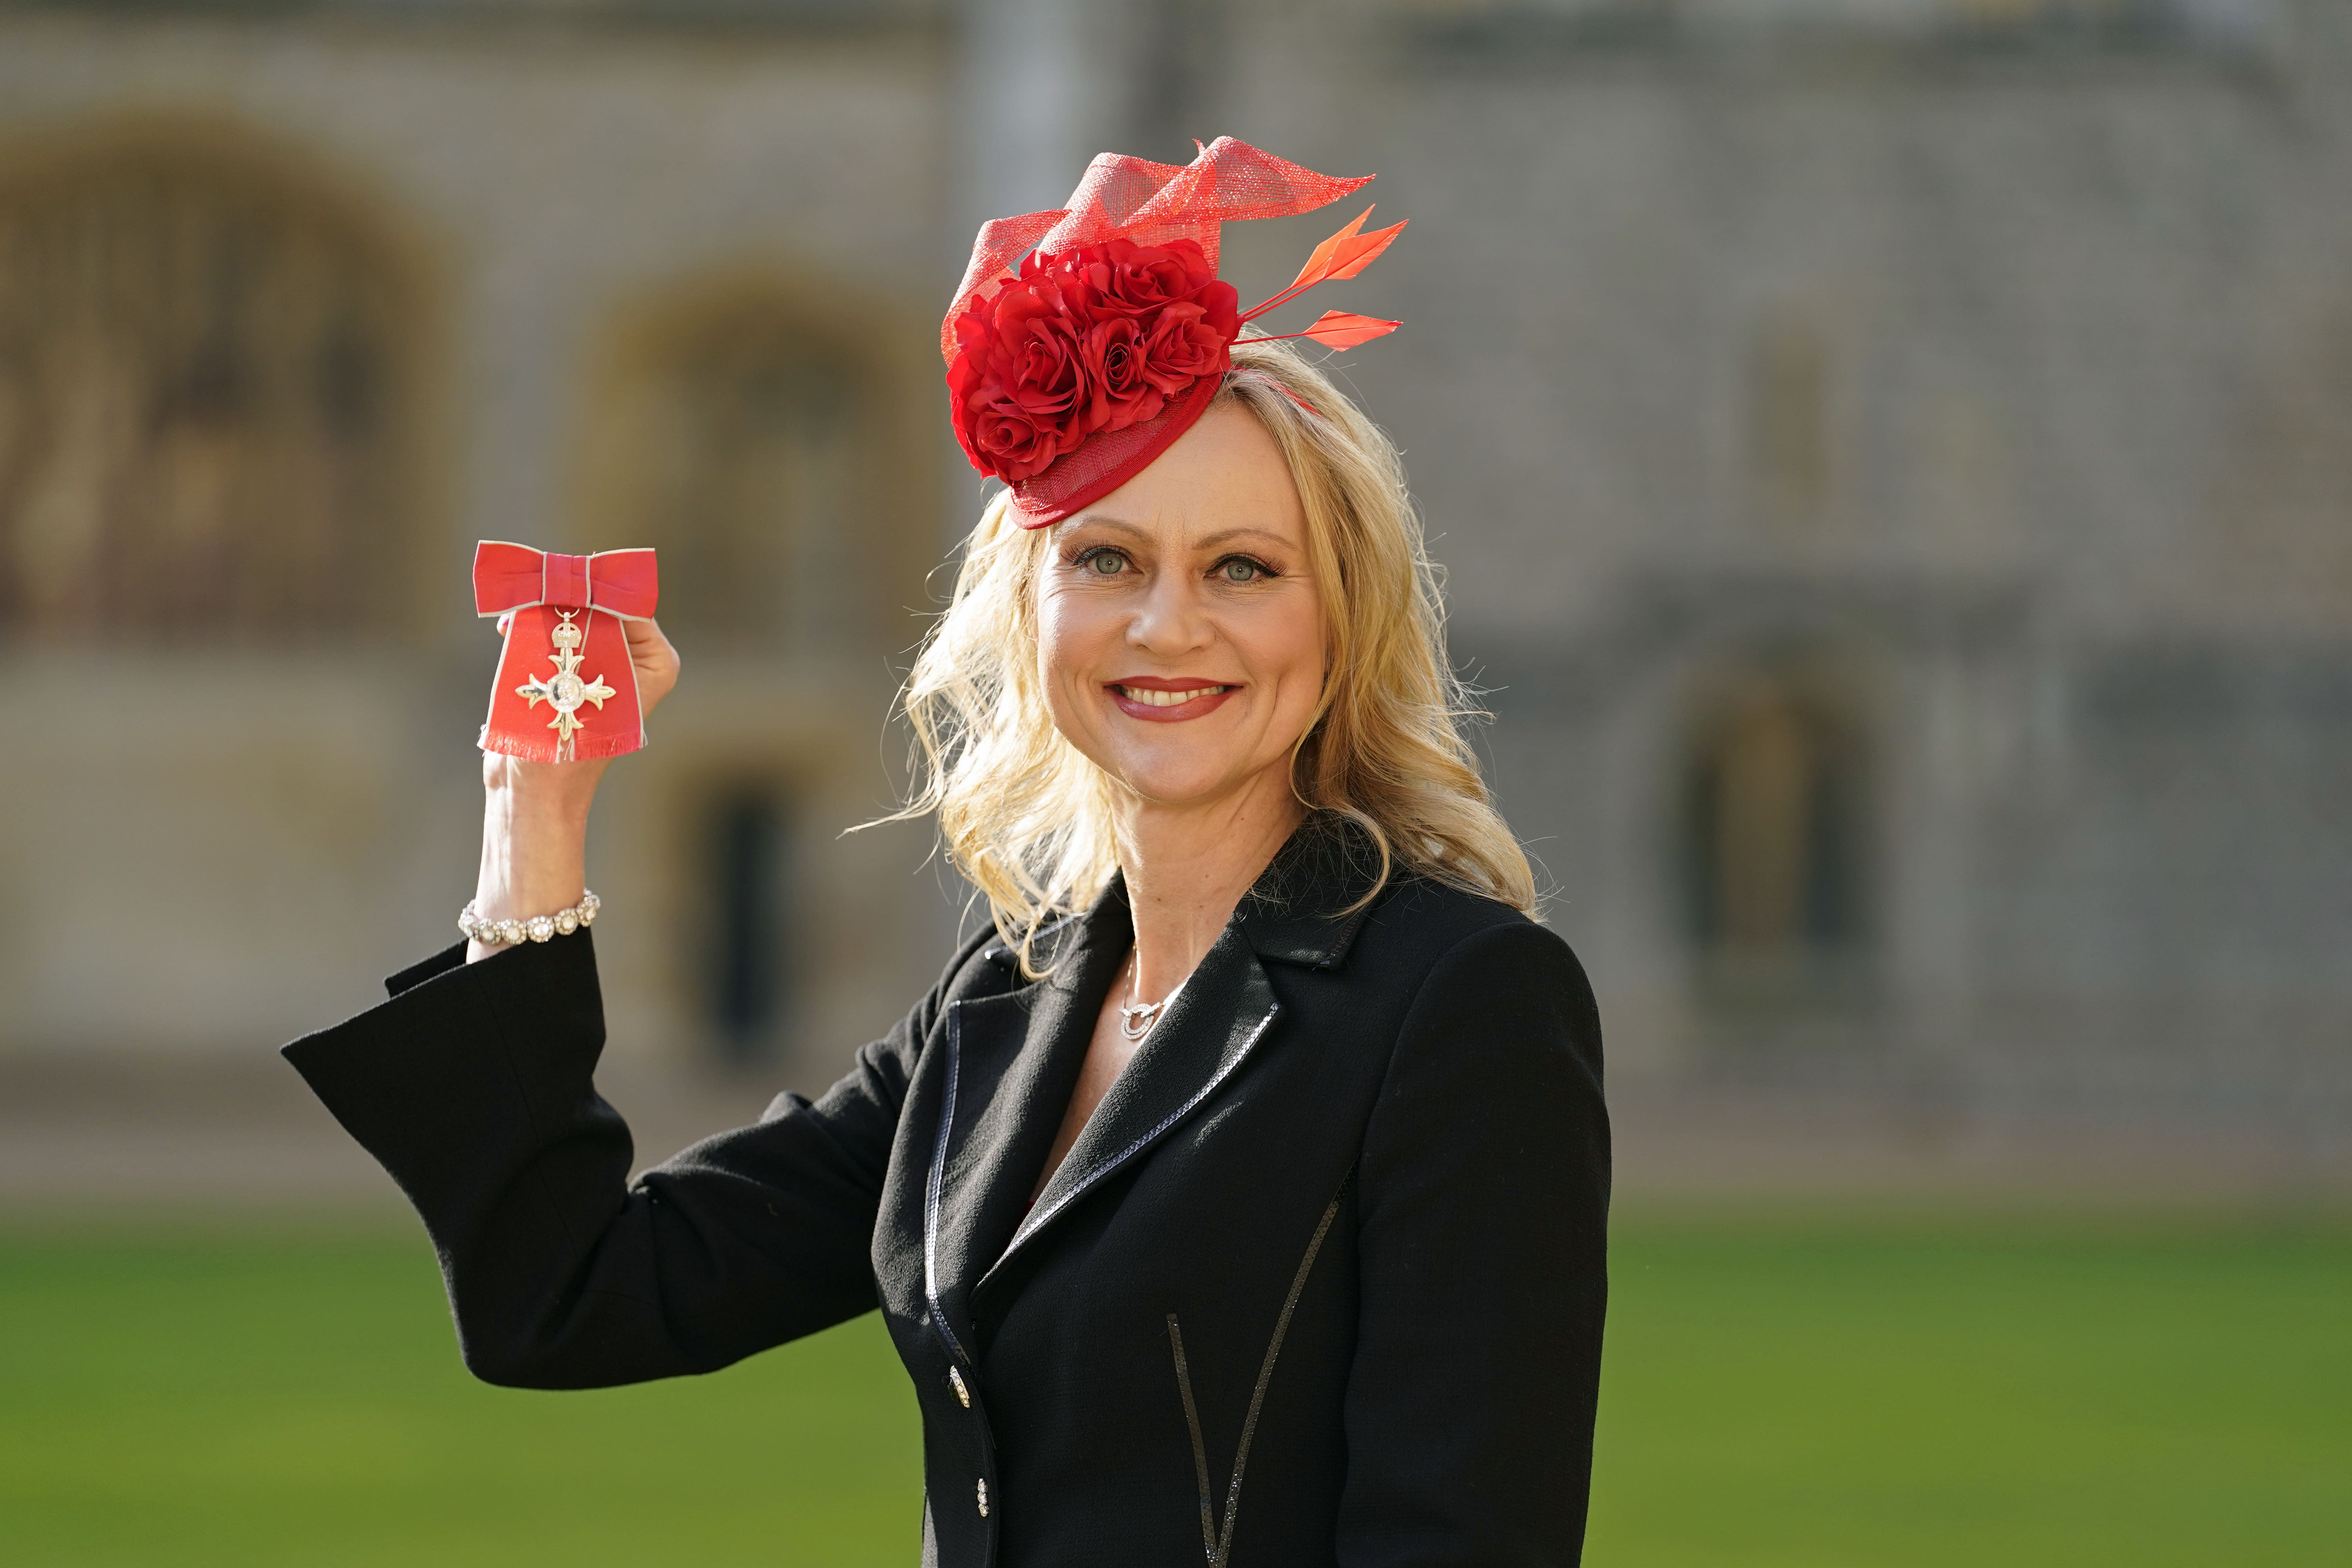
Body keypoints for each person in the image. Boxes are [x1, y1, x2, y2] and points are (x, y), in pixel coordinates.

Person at [286, 138, 1609, 1568]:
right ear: (1026, 605)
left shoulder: (1464, 1004)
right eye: (1106, 561)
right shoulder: (1009, 997)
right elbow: (573, 1297)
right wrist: (534, 807)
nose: (1168, 626)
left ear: (1341, 619)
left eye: (1244, 567)